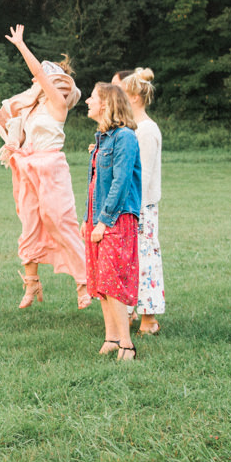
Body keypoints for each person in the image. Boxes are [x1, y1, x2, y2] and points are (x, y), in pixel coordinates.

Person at [0, 25, 90, 310]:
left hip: (50, 166)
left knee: (59, 221)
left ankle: (83, 283)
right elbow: (18, 137)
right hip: (27, 166)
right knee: (30, 222)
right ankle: (32, 284)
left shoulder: (59, 104)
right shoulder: (32, 110)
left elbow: (40, 75)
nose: (37, 82)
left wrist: (20, 45)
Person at [83, 82, 142, 361]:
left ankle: (127, 345)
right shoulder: (103, 138)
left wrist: (104, 222)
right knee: (101, 283)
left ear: (106, 104)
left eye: (92, 97)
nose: (87, 101)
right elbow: (96, 183)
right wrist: (89, 220)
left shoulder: (125, 137)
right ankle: (111, 337)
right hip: (96, 220)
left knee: (113, 282)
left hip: (115, 220)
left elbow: (120, 183)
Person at [117, 68, 164, 335]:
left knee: (145, 261)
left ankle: (149, 319)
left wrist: (133, 208)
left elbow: (143, 175)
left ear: (134, 97)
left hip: (141, 207)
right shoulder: (132, 129)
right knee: (129, 260)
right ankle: (129, 311)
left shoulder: (146, 130)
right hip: (131, 206)